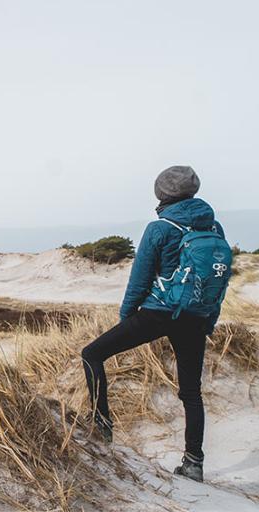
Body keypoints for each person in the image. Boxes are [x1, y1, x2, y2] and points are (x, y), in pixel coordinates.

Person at [80, 165, 226, 482]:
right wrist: (209, 320)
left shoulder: (159, 228)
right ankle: (193, 463)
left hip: (158, 312)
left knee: (92, 354)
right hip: (195, 317)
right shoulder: (214, 227)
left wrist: (127, 318)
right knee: (191, 393)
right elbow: (218, 281)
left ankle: (101, 425)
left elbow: (139, 280)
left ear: (161, 194)